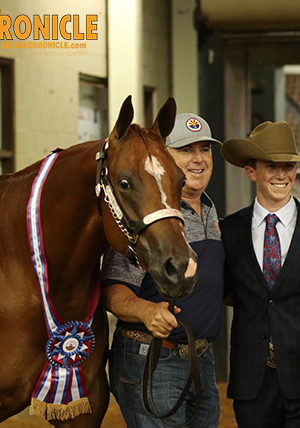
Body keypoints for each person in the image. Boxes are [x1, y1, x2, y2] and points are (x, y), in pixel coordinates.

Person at [219, 121, 300, 428]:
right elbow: (223, 291)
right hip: (250, 379)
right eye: (271, 166)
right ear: (251, 171)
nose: (281, 175)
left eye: (288, 166)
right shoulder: (229, 231)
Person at [101, 113, 225, 427]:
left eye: (205, 150)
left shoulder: (211, 210)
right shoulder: (147, 214)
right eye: (186, 150)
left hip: (201, 360)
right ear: (163, 158)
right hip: (153, 358)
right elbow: (113, 290)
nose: (198, 159)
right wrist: (145, 310)